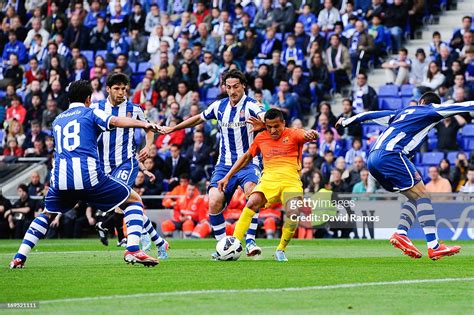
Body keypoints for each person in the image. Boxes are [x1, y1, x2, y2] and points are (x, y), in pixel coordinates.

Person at [9, 80, 162, 269]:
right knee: (134, 200)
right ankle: (132, 249)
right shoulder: (90, 112)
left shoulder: (58, 120)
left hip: (60, 179)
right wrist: (143, 123)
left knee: (47, 214)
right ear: (89, 98)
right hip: (88, 176)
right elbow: (115, 121)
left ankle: (18, 258)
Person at [336, 92, 466, 260]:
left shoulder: (401, 112)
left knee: (414, 197)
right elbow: (461, 106)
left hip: (373, 159)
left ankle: (402, 233)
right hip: (391, 155)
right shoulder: (429, 110)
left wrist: (346, 121)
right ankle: (433, 246)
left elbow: (371, 115)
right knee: (423, 195)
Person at [159, 69, 264, 258]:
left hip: (249, 163)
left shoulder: (251, 105)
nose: (232, 91)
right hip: (224, 164)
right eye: (229, 87)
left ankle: (249, 241)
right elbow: (198, 118)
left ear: (244, 86)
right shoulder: (219, 106)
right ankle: (223, 247)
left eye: (236, 87)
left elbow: (264, 115)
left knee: (252, 194)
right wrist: (174, 128)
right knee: (214, 201)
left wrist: (264, 123)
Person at [217, 108, 319, 261]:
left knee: (293, 214)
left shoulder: (293, 133)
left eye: (276, 126)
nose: (273, 130)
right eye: (269, 126)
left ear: (283, 123)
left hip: (291, 181)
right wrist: (227, 176)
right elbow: (246, 158)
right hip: (268, 180)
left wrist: (313, 134)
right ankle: (233, 244)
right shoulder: (261, 138)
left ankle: (280, 249)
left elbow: (307, 134)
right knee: (252, 202)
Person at [91, 73, 169, 259]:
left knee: (124, 200)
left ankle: (130, 244)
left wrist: (148, 146)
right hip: (103, 167)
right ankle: (158, 241)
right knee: (128, 204)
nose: (121, 92)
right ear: (108, 89)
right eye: (116, 89)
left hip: (127, 163)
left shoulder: (134, 109)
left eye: (123, 89)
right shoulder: (96, 108)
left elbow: (149, 129)